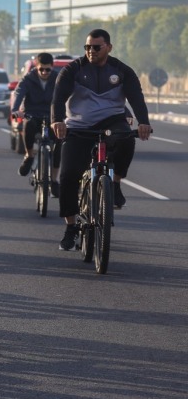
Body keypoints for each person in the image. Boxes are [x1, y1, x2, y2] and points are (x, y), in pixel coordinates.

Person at [52, 28, 152, 250]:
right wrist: (57, 120)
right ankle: (70, 226)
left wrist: (144, 121)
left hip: (111, 121)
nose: (91, 51)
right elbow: (58, 98)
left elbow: (136, 97)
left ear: (108, 47)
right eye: (87, 47)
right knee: (68, 176)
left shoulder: (122, 71)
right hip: (78, 125)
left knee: (127, 138)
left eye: (96, 47)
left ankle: (114, 184)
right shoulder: (73, 70)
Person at [11, 52, 62, 193]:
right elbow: (19, 93)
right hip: (33, 114)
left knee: (59, 143)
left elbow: (68, 95)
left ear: (52, 67)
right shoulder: (28, 79)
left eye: (47, 69)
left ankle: (54, 180)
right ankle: (29, 155)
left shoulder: (58, 79)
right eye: (41, 69)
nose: (44, 72)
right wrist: (15, 109)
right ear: (36, 67)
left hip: (52, 116)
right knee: (28, 125)